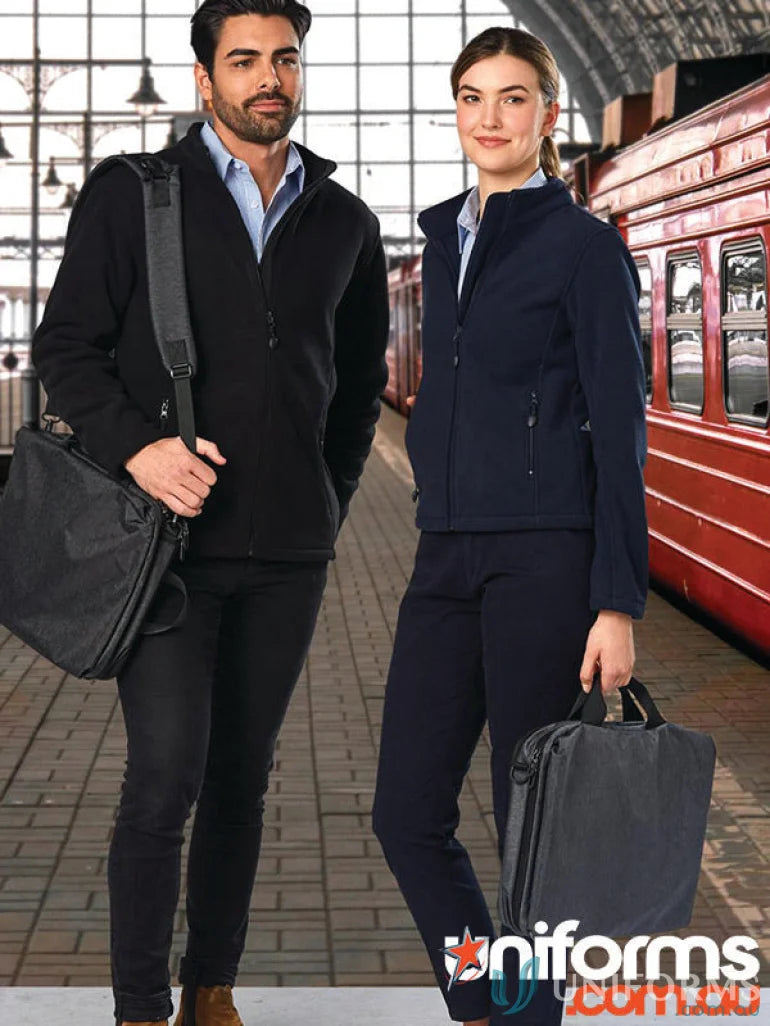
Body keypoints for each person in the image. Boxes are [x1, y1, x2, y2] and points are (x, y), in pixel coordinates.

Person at [32, 1, 389, 1023]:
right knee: (164, 778)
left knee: (242, 781)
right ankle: (141, 1006)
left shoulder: (343, 221)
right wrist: (138, 448)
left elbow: (355, 386)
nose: (267, 77)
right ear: (204, 80)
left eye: (283, 58)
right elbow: (66, 351)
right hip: (165, 552)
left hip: (290, 555)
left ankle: (211, 990)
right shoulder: (134, 195)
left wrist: (328, 495)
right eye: (244, 61)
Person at [372, 26, 647, 1026]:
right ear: (455, 113)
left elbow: (620, 435)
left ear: (546, 116)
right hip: (442, 554)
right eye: (473, 98)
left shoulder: (583, 247)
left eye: (513, 97)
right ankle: (489, 1004)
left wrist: (615, 599)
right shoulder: (440, 236)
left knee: (527, 831)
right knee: (404, 814)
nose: (490, 117)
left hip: (544, 561)